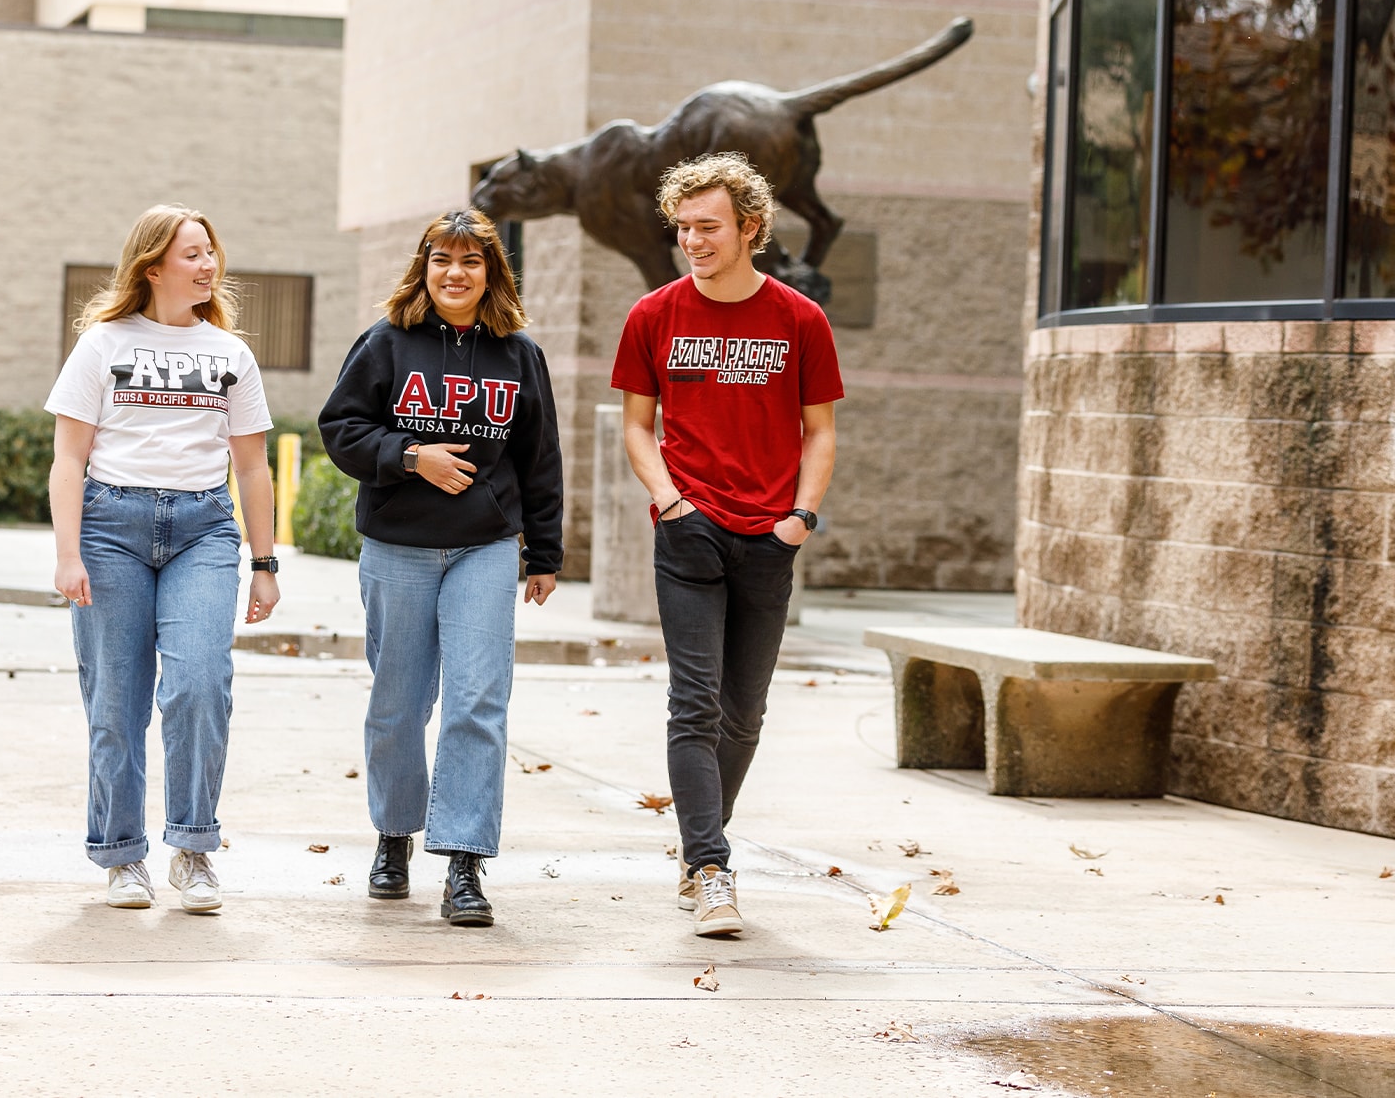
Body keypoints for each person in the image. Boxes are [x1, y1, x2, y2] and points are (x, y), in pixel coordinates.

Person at [611, 153, 842, 938]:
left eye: (708, 227)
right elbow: (637, 425)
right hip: (689, 530)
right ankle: (711, 866)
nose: (693, 241)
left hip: (769, 537)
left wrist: (800, 518)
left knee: (745, 714)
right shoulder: (654, 316)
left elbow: (821, 432)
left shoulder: (801, 320)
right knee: (695, 703)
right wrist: (670, 501)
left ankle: (697, 845)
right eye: (683, 228)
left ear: (750, 226)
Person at [319, 208, 564, 927]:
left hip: (484, 546)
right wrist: (408, 455)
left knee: (478, 700)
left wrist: (543, 551)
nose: (455, 273)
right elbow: (341, 428)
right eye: (441, 260)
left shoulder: (520, 356)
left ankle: (464, 860)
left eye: (471, 261)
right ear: (423, 268)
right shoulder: (386, 344)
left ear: (492, 272)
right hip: (398, 546)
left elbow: (539, 459)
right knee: (398, 704)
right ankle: (394, 836)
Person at [46, 204, 281, 914]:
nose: (208, 265)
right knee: (115, 700)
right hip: (110, 527)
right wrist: (67, 552)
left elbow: (253, 467)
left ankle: (194, 848)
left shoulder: (230, 355)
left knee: (201, 683)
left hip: (203, 531)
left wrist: (265, 562)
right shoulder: (101, 344)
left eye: (211, 252)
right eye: (192, 254)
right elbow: (67, 455)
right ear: (153, 266)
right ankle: (121, 857)